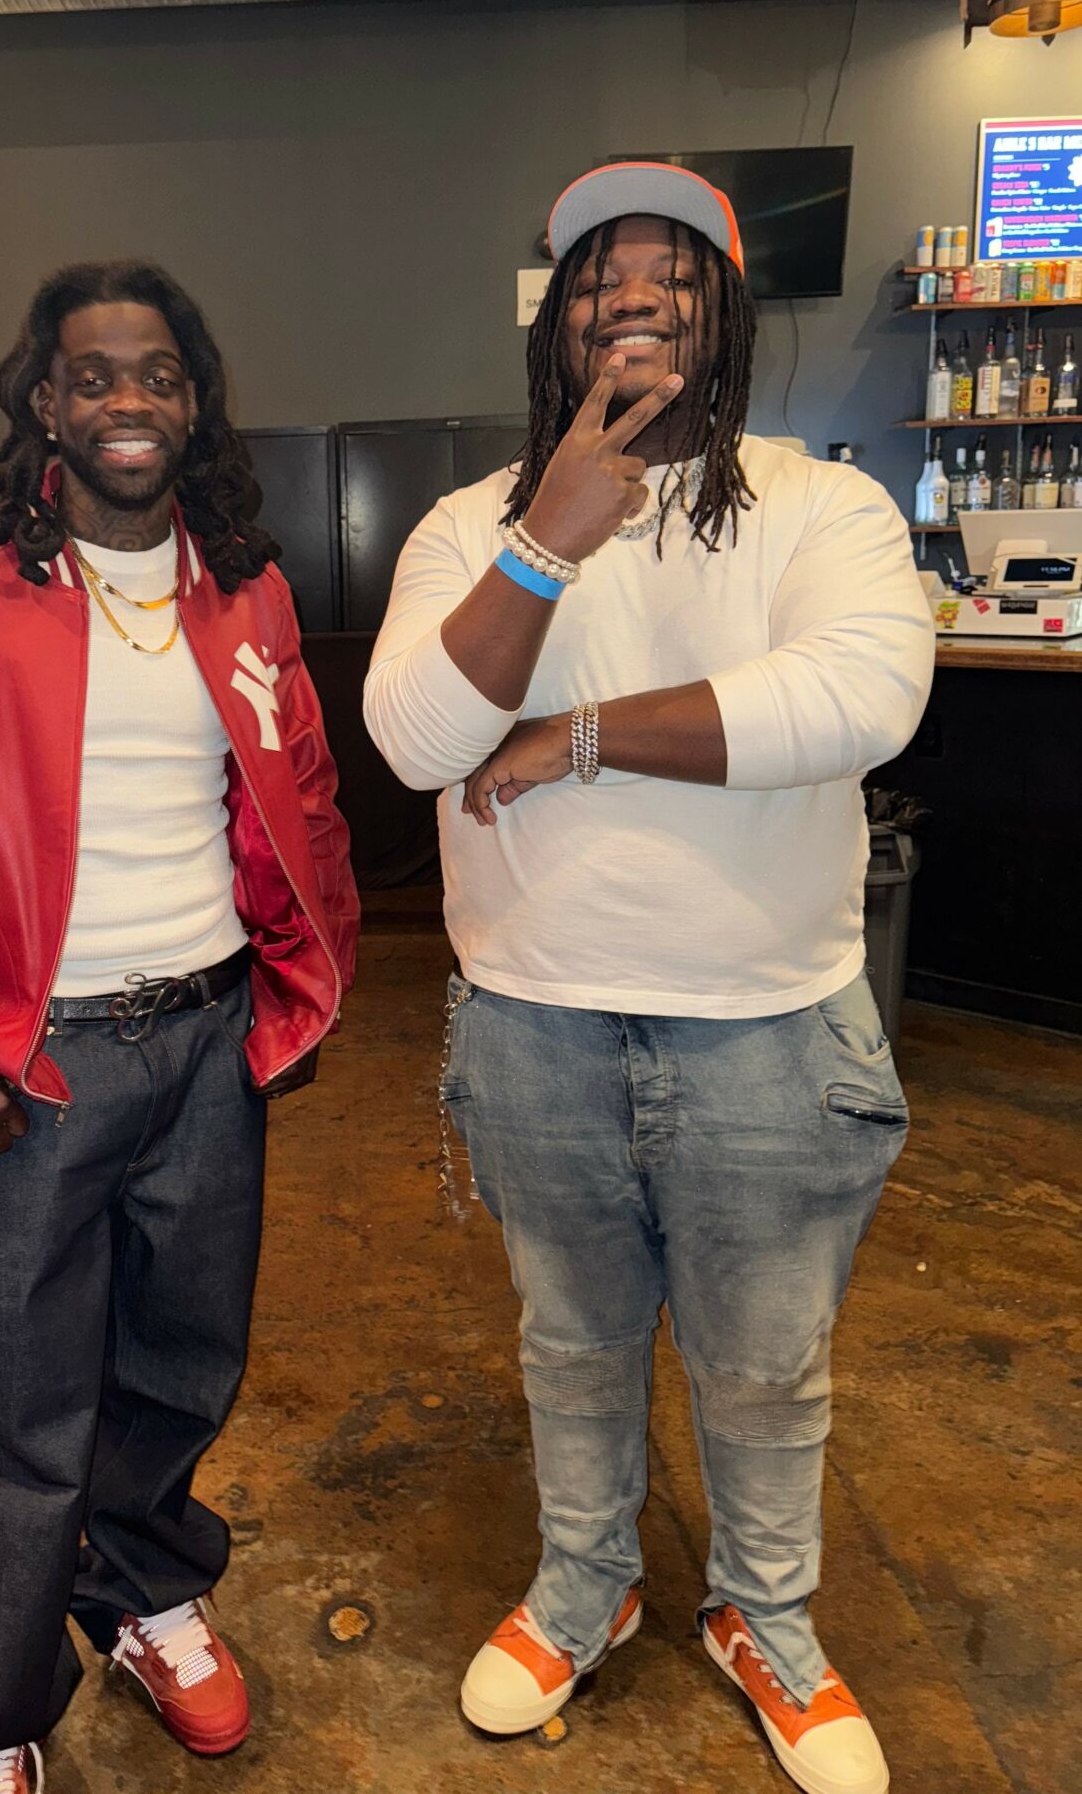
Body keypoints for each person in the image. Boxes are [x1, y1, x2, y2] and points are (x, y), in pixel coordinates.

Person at [364, 163, 933, 1794]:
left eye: (673, 273)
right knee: (574, 1341)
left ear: (727, 312)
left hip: (767, 1027)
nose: (632, 296)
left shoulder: (820, 504)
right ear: (556, 318)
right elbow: (413, 740)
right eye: (598, 274)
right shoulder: (475, 528)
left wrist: (586, 736)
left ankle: (770, 1619)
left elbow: (860, 698)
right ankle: (586, 1587)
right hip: (536, 1022)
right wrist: (547, 544)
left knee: (763, 1365)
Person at [0, 260, 358, 1793]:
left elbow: (299, 797)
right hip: (34, 1059)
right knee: (28, 1393)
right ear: (44, 404)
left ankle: (142, 1589)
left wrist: (300, 985)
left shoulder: (241, 584)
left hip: (206, 1045)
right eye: (97, 376)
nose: (132, 402)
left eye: (161, 375)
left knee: (186, 1358)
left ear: (196, 405)